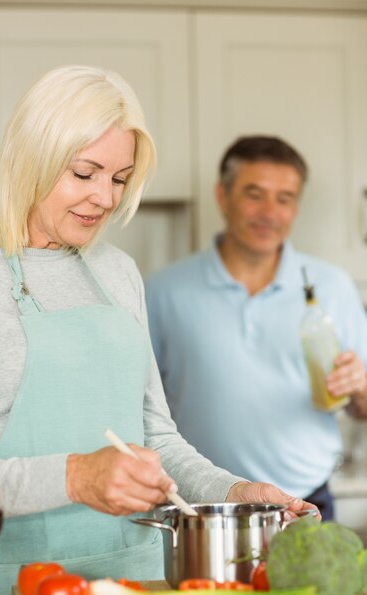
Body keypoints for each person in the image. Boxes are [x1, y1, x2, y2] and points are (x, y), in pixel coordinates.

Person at [0, 73, 316, 595]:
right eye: (84, 173)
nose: (104, 198)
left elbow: (155, 439)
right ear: (32, 154)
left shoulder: (117, 271)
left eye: (119, 179)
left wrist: (234, 493)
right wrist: (76, 477)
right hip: (7, 588)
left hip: (138, 584)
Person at [146, 135, 367, 523]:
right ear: (222, 196)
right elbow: (143, 411)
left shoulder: (332, 286)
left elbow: (363, 408)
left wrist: (360, 388)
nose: (270, 212)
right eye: (254, 194)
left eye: (285, 198)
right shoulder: (164, 292)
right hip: (204, 505)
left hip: (306, 503)